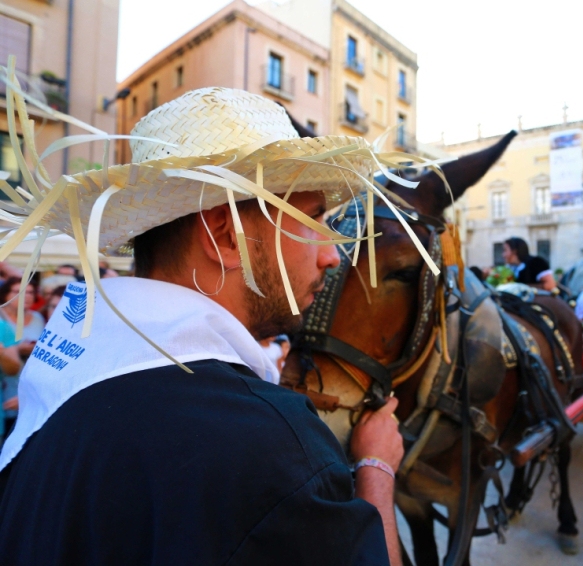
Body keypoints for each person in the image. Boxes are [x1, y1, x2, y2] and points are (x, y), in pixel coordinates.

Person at [0, 87, 421, 565]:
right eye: (313, 221)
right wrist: (376, 467)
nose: (331, 255)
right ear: (227, 236)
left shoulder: (62, 370)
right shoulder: (271, 448)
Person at [0, 278, 45, 436]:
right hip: (7, 382)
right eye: (20, 292)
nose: (27, 296)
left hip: (29, 376)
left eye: (31, 292)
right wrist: (19, 348)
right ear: (6, 295)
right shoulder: (2, 319)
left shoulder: (38, 318)